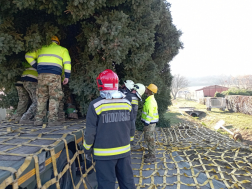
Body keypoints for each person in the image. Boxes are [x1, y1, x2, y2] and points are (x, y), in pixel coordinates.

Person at [83, 69, 136, 189]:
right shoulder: (127, 103)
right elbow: (132, 127)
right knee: (128, 183)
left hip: (103, 155)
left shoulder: (96, 105)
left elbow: (90, 132)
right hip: (124, 152)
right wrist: (130, 142)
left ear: (100, 84)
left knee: (106, 184)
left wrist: (86, 150)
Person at [25, 36, 71, 126]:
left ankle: (38, 120)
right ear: (57, 42)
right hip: (54, 75)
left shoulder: (41, 48)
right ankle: (52, 120)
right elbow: (67, 63)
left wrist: (36, 66)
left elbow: (28, 55)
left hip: (41, 75)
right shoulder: (62, 50)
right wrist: (67, 76)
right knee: (55, 96)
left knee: (41, 97)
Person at [141, 84, 159, 163]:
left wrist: (146, 122)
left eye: (147, 88)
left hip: (150, 123)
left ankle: (153, 156)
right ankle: (150, 153)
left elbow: (150, 113)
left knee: (150, 139)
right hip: (150, 123)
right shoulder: (149, 99)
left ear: (150, 91)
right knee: (148, 138)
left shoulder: (150, 101)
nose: (145, 89)